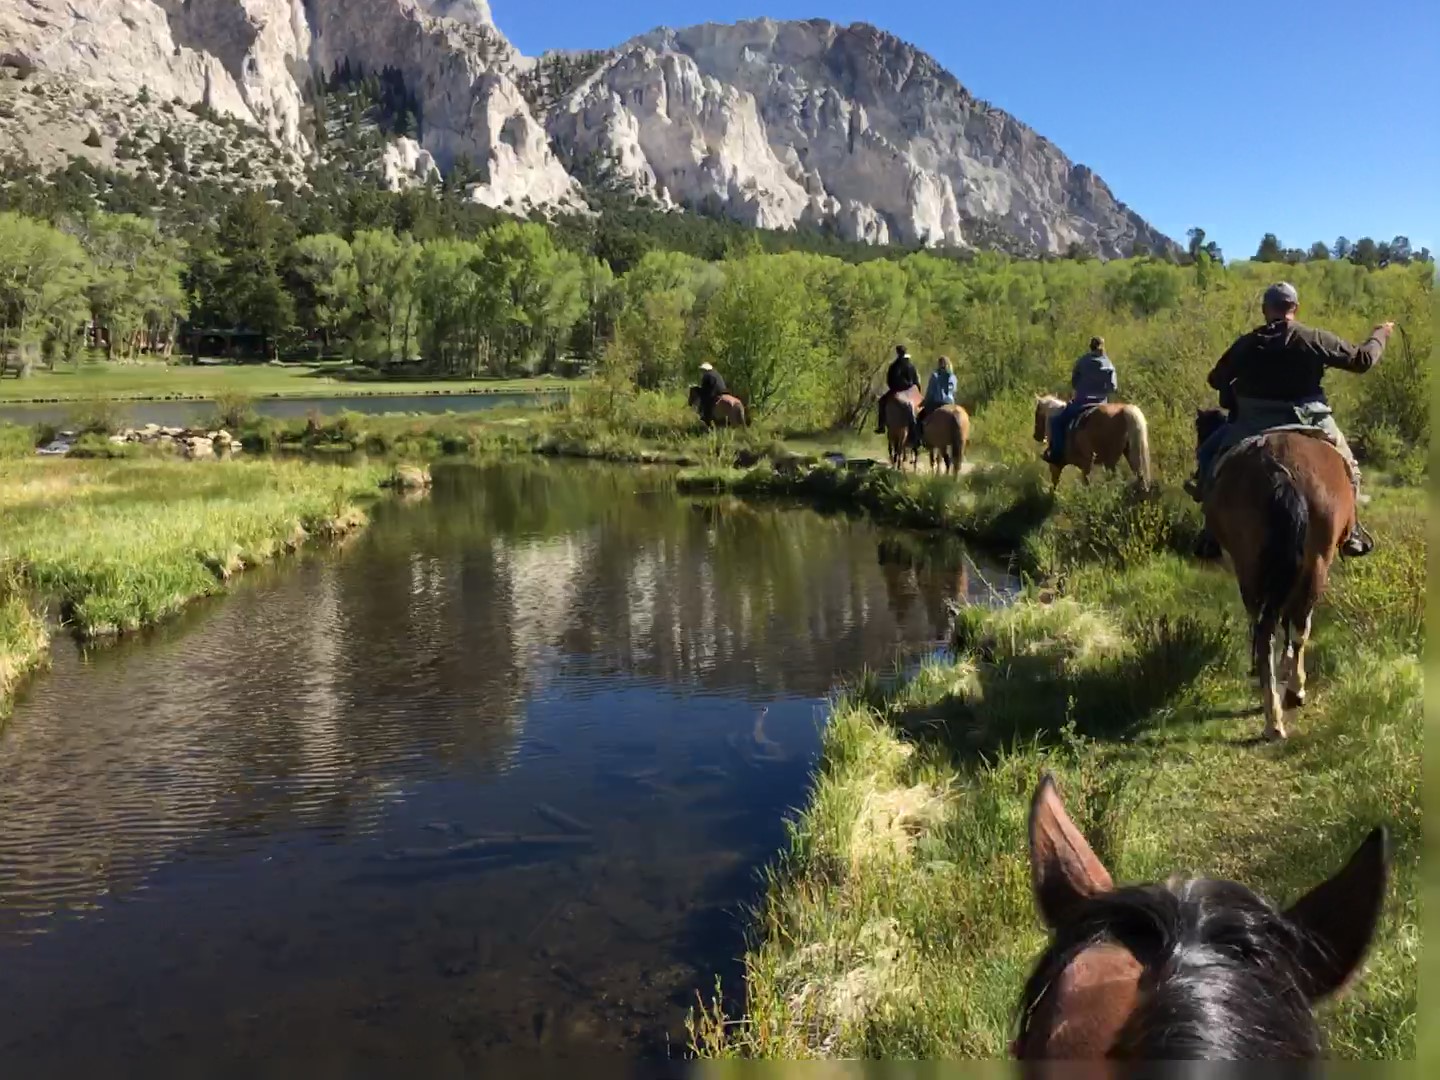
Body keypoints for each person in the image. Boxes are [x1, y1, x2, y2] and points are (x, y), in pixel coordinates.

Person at [1186, 282, 1392, 559]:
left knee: (1211, 456)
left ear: (1264, 310)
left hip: (1252, 422)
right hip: (1310, 419)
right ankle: (1352, 531)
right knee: (1349, 466)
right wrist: (1381, 333)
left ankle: (1211, 530)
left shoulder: (1247, 343)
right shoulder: (1314, 338)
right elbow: (1363, 360)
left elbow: (1215, 379)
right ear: (1295, 308)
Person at [1042, 337, 1116, 465]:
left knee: (1056, 422)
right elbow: (1113, 387)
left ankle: (1056, 455)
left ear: (1090, 347)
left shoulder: (1082, 361)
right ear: (1103, 347)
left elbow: (1074, 383)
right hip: (1102, 404)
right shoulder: (1109, 364)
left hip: (1082, 403)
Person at [875, 344, 920, 437]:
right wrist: (916, 390)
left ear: (897, 352)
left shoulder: (893, 365)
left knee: (882, 402)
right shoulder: (910, 365)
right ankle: (917, 429)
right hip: (909, 391)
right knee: (920, 405)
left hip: (895, 390)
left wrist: (893, 388)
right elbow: (915, 380)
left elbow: (889, 380)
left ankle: (881, 425)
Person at [913, 356, 957, 446]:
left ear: (939, 364)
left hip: (937, 403)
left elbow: (930, 392)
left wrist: (924, 402)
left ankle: (919, 439)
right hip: (950, 403)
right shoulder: (953, 376)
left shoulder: (935, 375)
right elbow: (954, 391)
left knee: (920, 418)